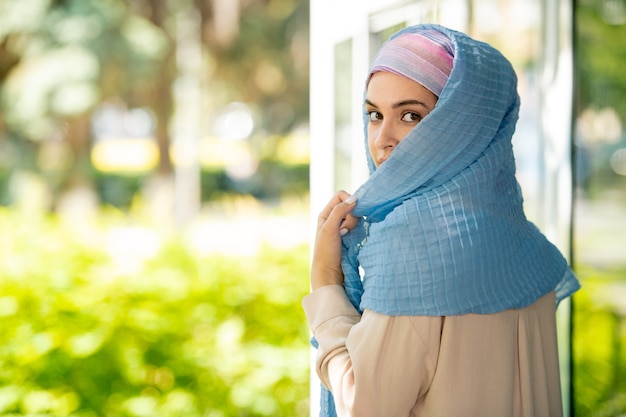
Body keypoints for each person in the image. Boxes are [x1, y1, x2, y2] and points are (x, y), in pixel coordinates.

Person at [303, 23, 580, 417]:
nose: (383, 138)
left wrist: (325, 280)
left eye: (411, 116)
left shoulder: (414, 245)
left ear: (464, 126)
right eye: (374, 114)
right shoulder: (522, 242)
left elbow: (362, 405)